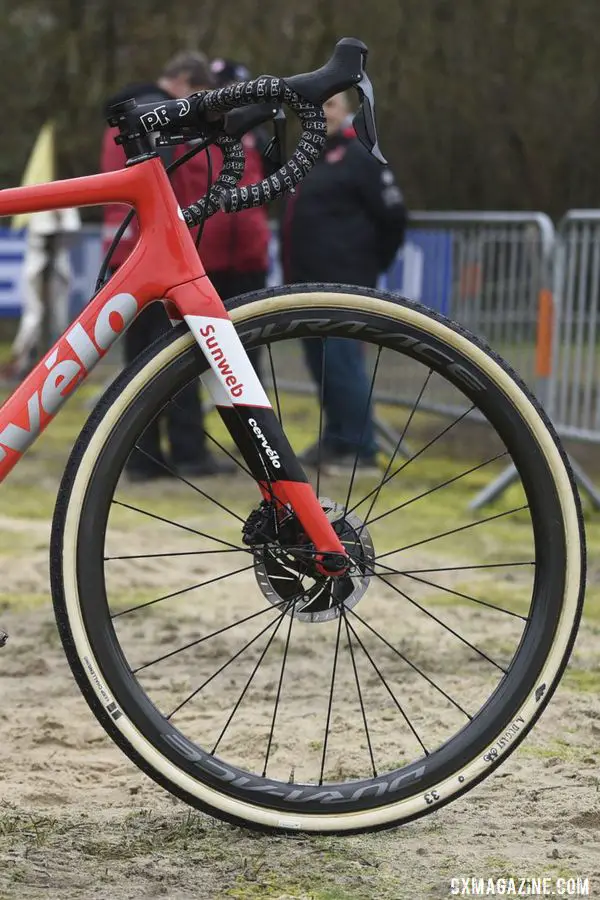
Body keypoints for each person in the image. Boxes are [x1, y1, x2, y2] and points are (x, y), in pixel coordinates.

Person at [101, 51, 241, 481]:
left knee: (138, 360)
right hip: (155, 253)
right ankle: (188, 452)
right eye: (197, 97)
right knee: (177, 357)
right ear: (183, 82)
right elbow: (167, 187)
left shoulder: (125, 116)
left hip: (124, 247)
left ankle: (142, 457)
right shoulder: (159, 118)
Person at [281, 91, 407, 473]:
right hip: (306, 280)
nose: (323, 113)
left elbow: (393, 217)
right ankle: (337, 439)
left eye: (331, 105)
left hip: (344, 280)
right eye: (316, 106)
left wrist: (365, 265)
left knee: (342, 362)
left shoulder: (362, 154)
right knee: (320, 364)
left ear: (348, 110)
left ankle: (361, 449)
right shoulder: (311, 155)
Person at [208, 57, 271, 377]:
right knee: (204, 352)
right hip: (208, 260)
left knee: (250, 351)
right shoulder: (201, 133)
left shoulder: (258, 134)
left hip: (249, 259)